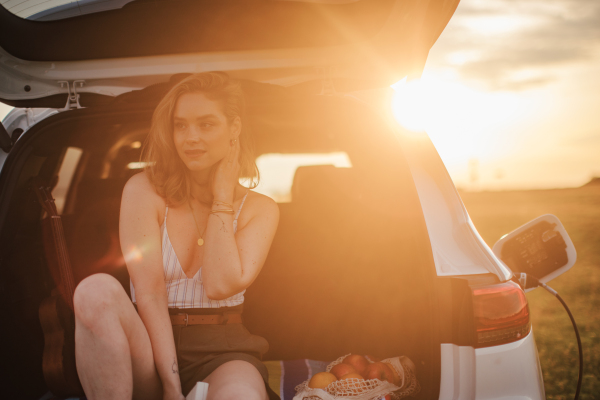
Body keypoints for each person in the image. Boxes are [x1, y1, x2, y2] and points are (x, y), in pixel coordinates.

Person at [72, 72, 280, 400]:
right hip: (149, 346)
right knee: (94, 290)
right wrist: (170, 388)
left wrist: (223, 201)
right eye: (180, 125)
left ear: (234, 129)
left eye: (206, 124)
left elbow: (219, 285)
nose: (190, 137)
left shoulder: (260, 209)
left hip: (222, 351)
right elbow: (150, 293)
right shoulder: (143, 190)